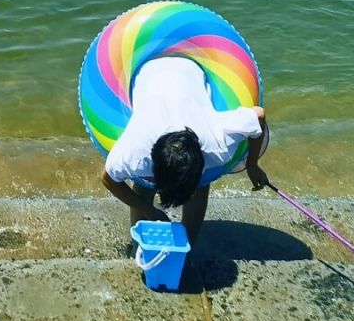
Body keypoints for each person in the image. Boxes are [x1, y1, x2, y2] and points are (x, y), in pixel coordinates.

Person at [101, 56, 270, 245]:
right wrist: (150, 211)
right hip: (148, 72)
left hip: (189, 70)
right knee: (144, 182)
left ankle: (187, 246)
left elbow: (259, 116)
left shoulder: (216, 145)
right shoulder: (136, 154)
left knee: (200, 184)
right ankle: (139, 244)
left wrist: (252, 165)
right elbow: (107, 179)